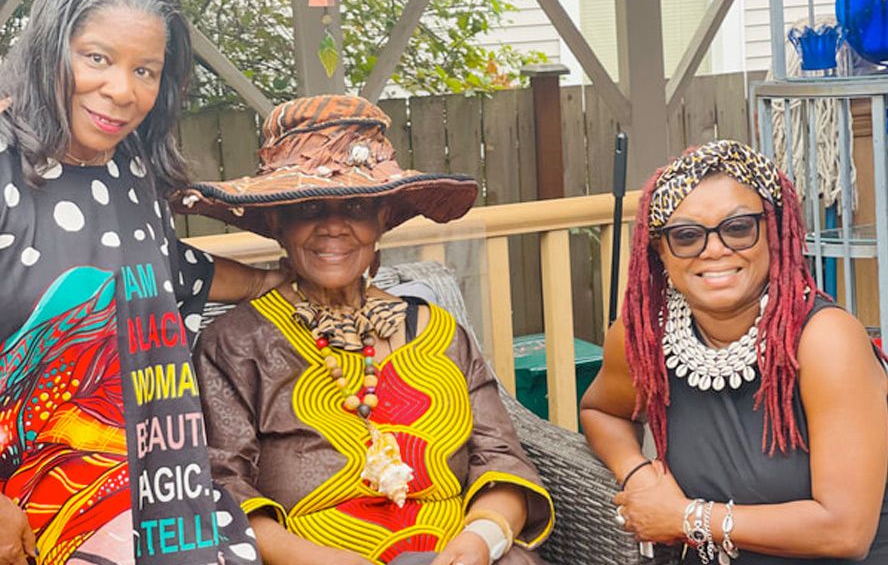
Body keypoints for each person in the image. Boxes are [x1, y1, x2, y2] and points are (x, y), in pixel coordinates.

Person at [181, 95, 555, 565]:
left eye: (355, 206)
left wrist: (482, 539)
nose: (333, 227)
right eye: (308, 207)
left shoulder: (442, 333)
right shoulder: (237, 344)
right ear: (276, 221)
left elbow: (500, 458)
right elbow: (220, 486)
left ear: (382, 218)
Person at [0, 0, 283, 564]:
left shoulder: (131, 166)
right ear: (48, 50)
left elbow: (163, 272)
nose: (123, 91)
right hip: (30, 516)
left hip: (159, 496)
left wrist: (270, 282)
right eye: (97, 58)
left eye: (145, 70)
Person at [580, 139, 888, 564]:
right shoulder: (644, 335)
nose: (715, 249)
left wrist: (685, 517)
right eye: (687, 236)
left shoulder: (825, 341)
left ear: (775, 232)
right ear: (660, 250)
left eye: (739, 227)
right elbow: (602, 412)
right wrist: (638, 475)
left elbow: (845, 531)